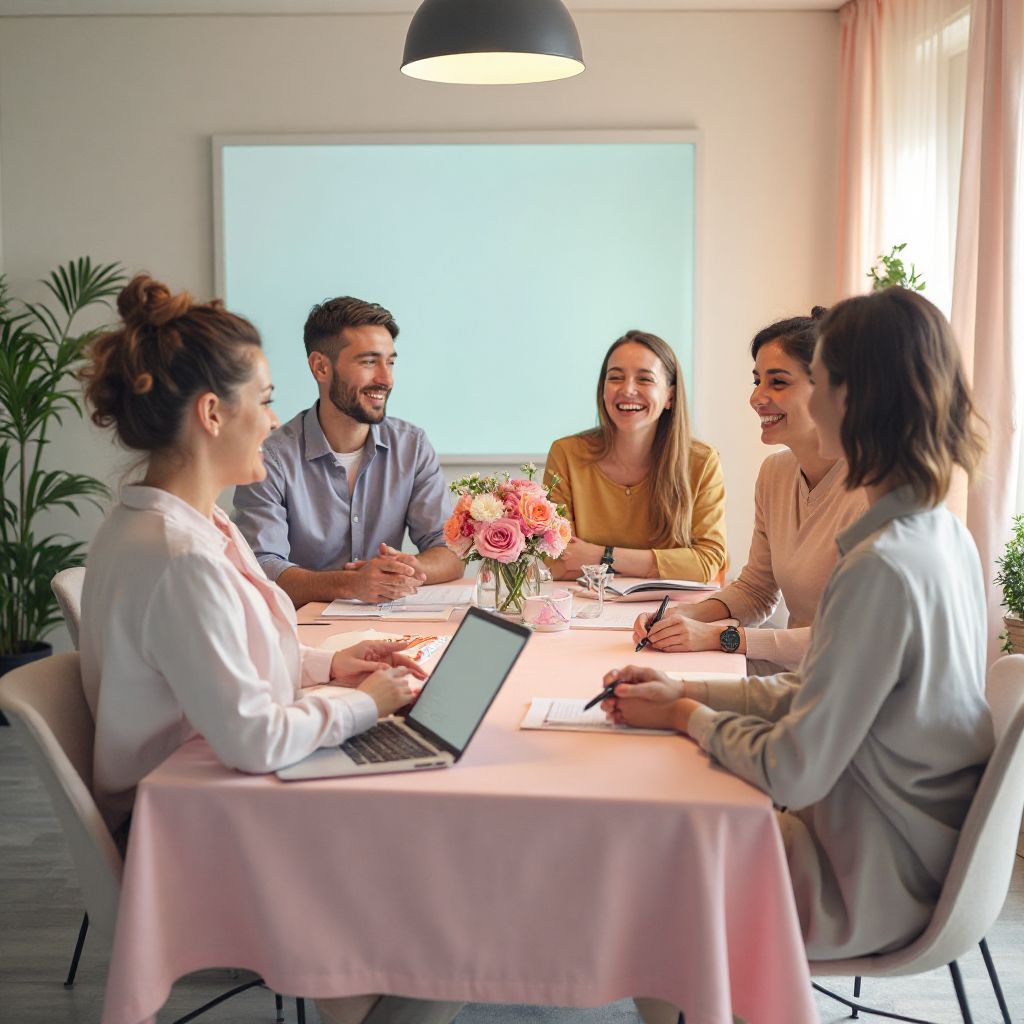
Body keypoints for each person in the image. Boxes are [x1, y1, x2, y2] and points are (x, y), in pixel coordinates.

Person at [78, 275, 462, 1024]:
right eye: (265, 398)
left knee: (435, 878)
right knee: (460, 906)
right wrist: (365, 702)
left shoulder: (190, 528)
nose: (275, 418)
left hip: (209, 788)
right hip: (202, 824)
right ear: (213, 413)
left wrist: (329, 666)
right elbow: (251, 735)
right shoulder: (180, 555)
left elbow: (219, 661)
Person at [604, 288, 994, 973]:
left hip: (867, 879)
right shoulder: (938, 533)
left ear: (850, 396)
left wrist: (685, 714)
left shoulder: (881, 566)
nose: (789, 402)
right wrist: (682, 688)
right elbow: (821, 698)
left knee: (630, 870)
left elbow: (795, 764)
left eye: (815, 383)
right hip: (910, 851)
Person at [633, 310, 868, 673]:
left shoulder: (873, 492)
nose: (757, 397)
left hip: (842, 684)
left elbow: (852, 638)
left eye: (778, 382)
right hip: (794, 674)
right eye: (757, 381)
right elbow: (757, 590)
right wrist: (685, 615)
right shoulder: (775, 472)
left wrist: (719, 637)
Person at [233, 296, 462, 607]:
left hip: (389, 629)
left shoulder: (412, 446)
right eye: (369, 362)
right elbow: (260, 568)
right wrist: (351, 584)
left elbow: (451, 550)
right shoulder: (270, 457)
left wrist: (404, 570)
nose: (386, 379)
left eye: (390, 362)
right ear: (320, 367)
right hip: (302, 635)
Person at [543, 330, 727, 583]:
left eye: (644, 379)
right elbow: (558, 561)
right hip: (587, 607)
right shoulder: (566, 454)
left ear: (669, 396)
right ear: (603, 390)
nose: (627, 389)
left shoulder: (702, 461)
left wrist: (601, 556)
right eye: (616, 377)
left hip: (670, 609)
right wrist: (663, 563)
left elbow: (707, 563)